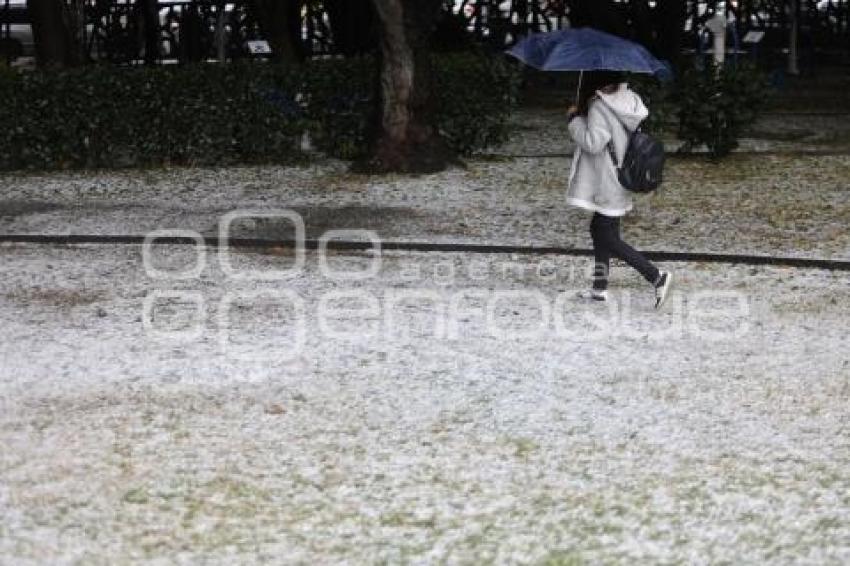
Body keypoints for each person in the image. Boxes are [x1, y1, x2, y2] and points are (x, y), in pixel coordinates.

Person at [566, 70, 672, 309]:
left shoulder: (600, 107)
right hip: (621, 174)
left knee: (606, 235)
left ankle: (656, 277)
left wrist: (574, 120)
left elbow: (593, 143)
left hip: (606, 179)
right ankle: (599, 289)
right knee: (600, 229)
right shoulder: (629, 100)